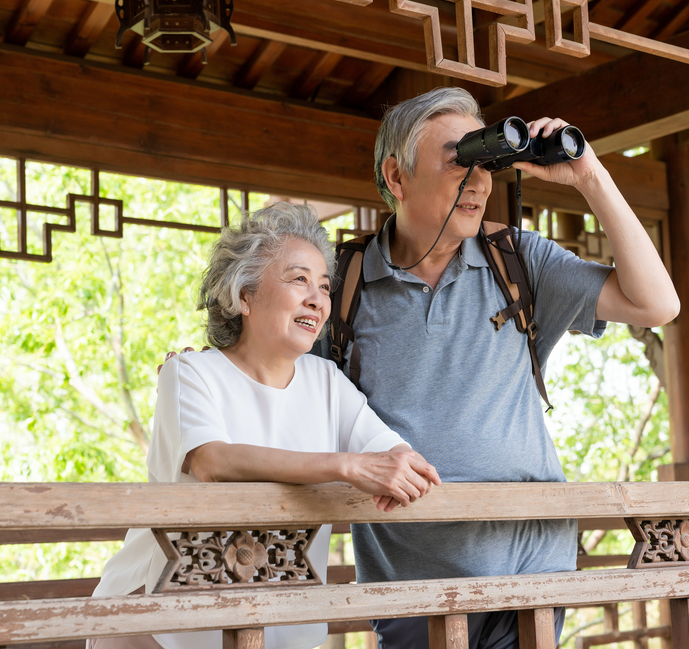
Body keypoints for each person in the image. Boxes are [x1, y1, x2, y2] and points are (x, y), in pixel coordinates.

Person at [314, 87, 680, 649]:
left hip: (533, 576)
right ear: (397, 175)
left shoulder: (520, 262)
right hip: (412, 590)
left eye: (487, 162)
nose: (480, 180)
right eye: (461, 159)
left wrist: (588, 174)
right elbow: (281, 403)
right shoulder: (339, 287)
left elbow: (658, 303)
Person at [89, 202, 441, 649]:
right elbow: (212, 462)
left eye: (324, 286)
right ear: (244, 295)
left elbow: (395, 457)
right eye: (298, 279)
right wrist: (346, 466)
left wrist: (393, 468)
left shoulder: (328, 382)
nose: (317, 297)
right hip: (153, 624)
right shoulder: (190, 373)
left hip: (272, 622)